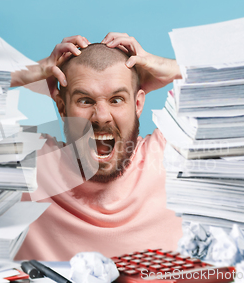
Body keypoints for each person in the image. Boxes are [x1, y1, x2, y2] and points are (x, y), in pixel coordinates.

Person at [11, 33, 183, 261]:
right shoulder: (30, 167)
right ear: (62, 108)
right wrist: (29, 72)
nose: (101, 117)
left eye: (117, 99)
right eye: (85, 100)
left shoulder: (172, 156)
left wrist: (173, 68)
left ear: (138, 103)